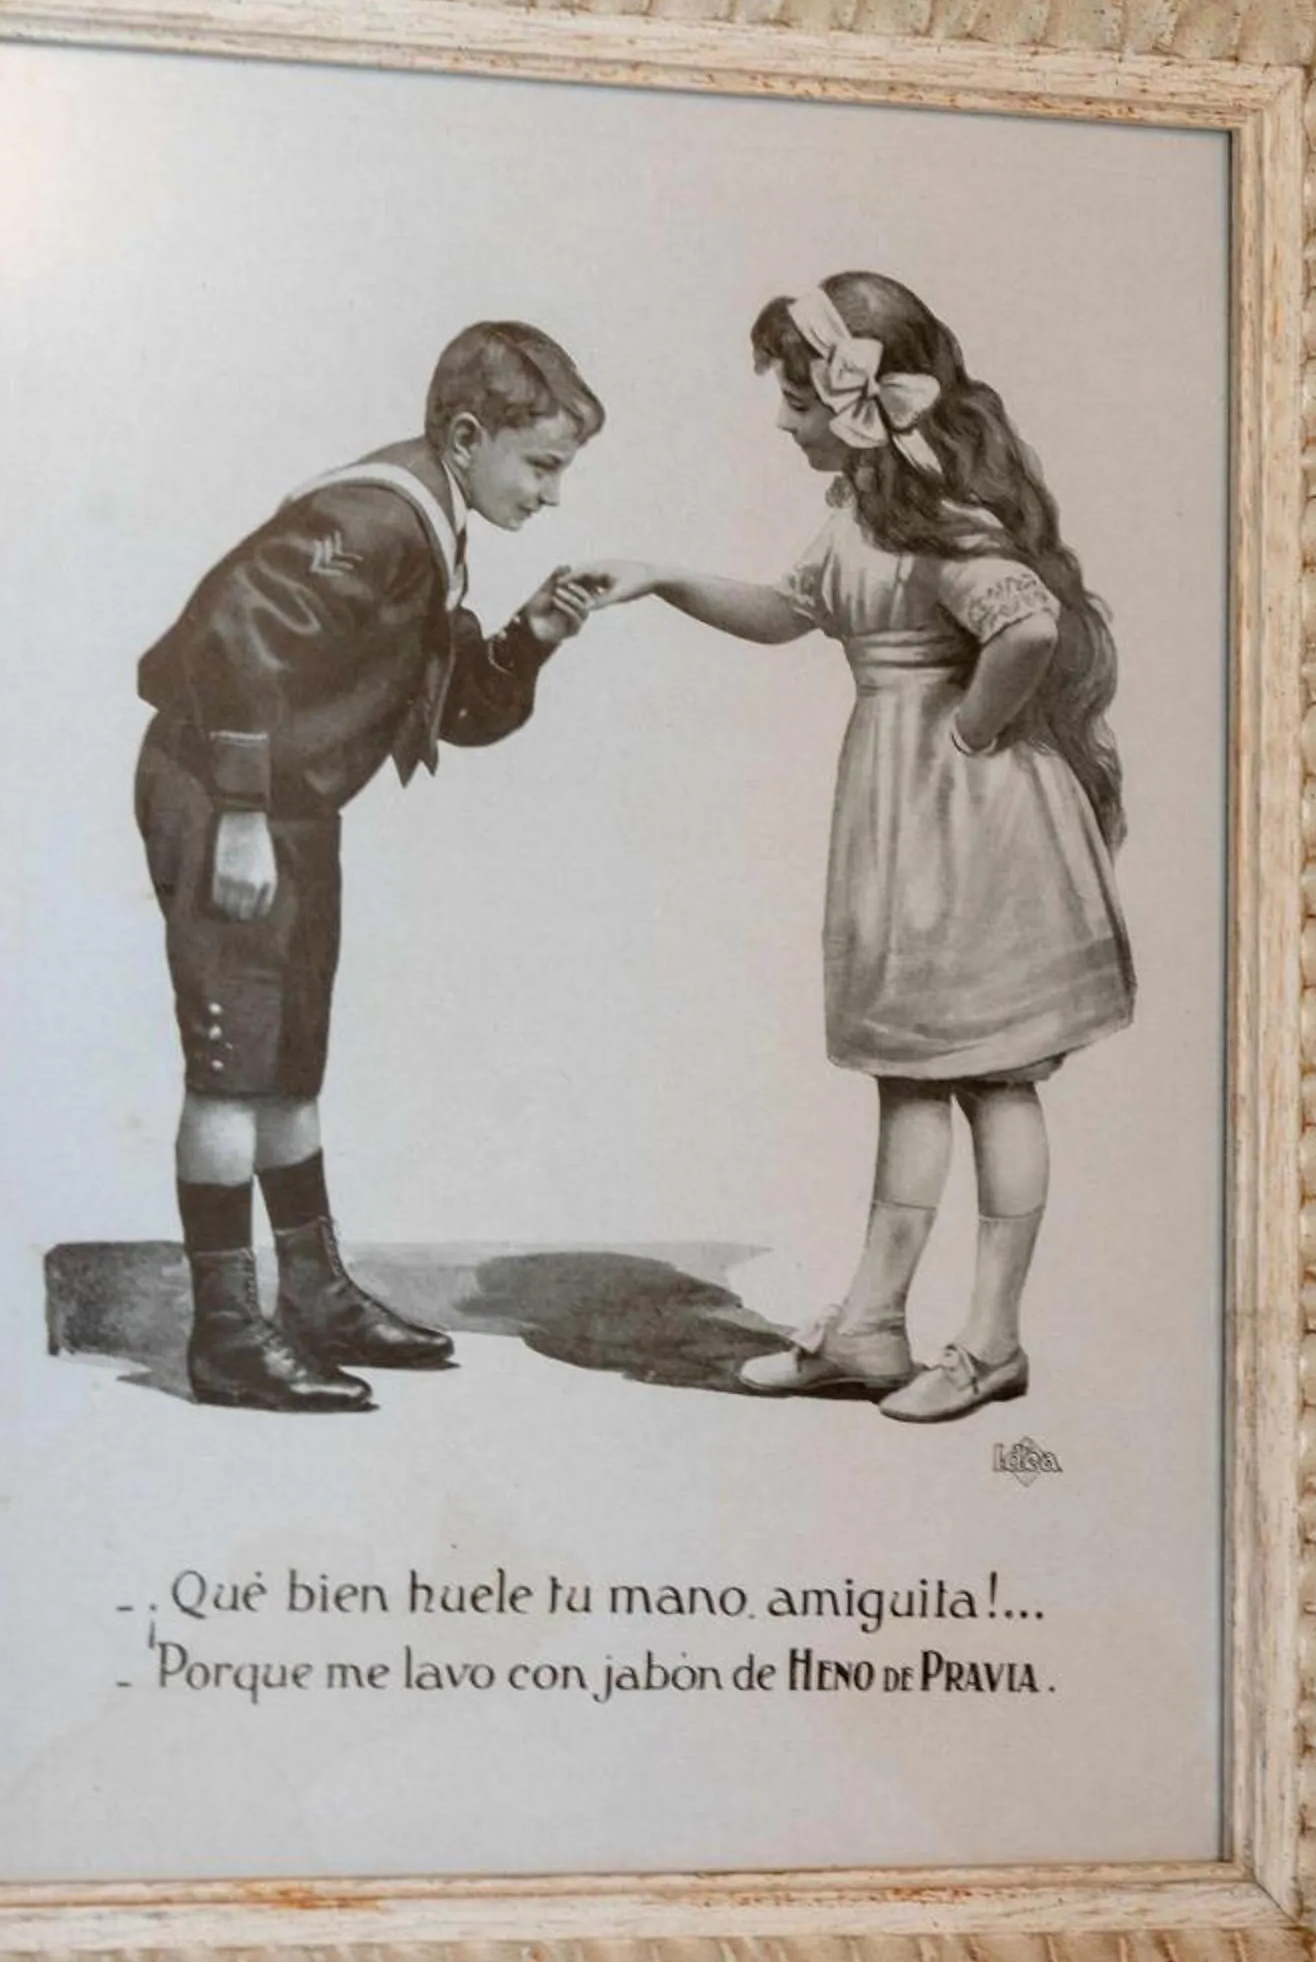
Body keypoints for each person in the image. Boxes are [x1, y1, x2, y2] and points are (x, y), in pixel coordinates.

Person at [566, 272, 1134, 1424]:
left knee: (991, 1076)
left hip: (972, 822)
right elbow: (790, 611)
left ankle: (990, 1340)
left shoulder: (941, 519)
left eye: (793, 399)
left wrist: (969, 729)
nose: (782, 420)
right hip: (903, 813)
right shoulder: (864, 516)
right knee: (913, 1074)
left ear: (855, 395)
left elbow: (1028, 623)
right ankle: (874, 1327)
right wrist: (662, 578)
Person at [132, 321, 602, 1413]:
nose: (552, 494)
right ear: (468, 433)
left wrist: (532, 633)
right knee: (230, 1067)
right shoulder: (371, 517)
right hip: (221, 796)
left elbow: (448, 705)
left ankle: (313, 1292)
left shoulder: (429, 522)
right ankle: (225, 1332)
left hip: (286, 806)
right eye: (542, 465)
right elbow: (235, 643)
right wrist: (242, 813)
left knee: (290, 1059)